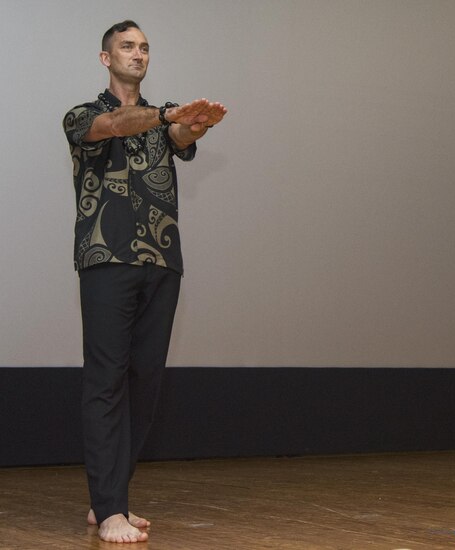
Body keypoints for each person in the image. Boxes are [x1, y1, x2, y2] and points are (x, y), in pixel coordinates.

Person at [62, 20, 227, 543]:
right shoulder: (83, 114)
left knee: (144, 384)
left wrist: (192, 126)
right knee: (106, 381)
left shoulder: (163, 117)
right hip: (106, 259)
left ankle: (109, 497)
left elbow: (177, 136)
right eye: (128, 47)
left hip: (161, 260)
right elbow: (114, 126)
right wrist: (167, 116)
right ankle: (110, 508)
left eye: (145, 47)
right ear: (105, 59)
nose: (139, 54)